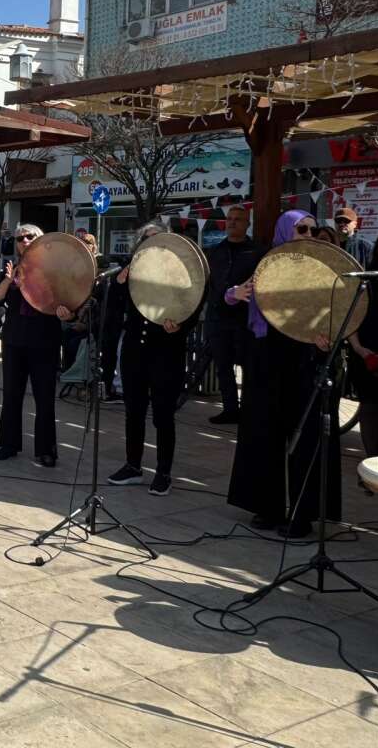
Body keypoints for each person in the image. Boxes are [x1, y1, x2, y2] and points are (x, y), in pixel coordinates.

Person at [226, 210, 338, 537]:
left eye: (312, 230)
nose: (308, 234)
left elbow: (336, 308)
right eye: (301, 229)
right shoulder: (263, 263)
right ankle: (268, 507)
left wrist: (326, 336)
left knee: (305, 440)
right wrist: (234, 294)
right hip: (267, 360)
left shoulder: (321, 267)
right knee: (264, 434)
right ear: (286, 230)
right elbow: (227, 295)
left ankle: (302, 515)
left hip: (305, 359)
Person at [106, 224, 200, 495]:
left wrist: (181, 326)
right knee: (133, 411)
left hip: (166, 351)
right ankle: (133, 466)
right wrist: (119, 283)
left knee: (163, 414)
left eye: (158, 239)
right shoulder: (132, 270)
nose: (152, 244)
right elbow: (114, 307)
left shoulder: (179, 270)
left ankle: (163, 472)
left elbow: (193, 303)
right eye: (147, 240)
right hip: (136, 349)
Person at [0, 223, 72, 467]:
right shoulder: (12, 269)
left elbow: (66, 300)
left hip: (44, 340)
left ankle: (46, 449)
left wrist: (67, 313)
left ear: (41, 240)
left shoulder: (54, 270)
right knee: (11, 394)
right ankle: (9, 443)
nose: (24, 241)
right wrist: (8, 281)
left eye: (30, 237)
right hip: (14, 339)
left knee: (44, 397)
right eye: (20, 238)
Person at [204, 205, 265, 425]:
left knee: (249, 367)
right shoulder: (215, 251)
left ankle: (250, 411)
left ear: (247, 224)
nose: (232, 222)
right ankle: (230, 409)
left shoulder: (257, 252)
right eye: (229, 218)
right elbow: (211, 284)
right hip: (219, 318)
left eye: (238, 219)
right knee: (223, 367)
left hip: (245, 320)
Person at [348, 241, 378, 463]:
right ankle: (372, 465)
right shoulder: (365, 281)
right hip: (367, 354)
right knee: (370, 408)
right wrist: (358, 348)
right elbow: (350, 319)